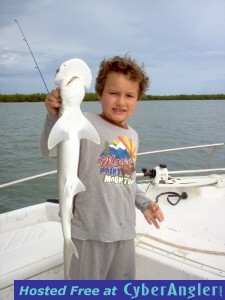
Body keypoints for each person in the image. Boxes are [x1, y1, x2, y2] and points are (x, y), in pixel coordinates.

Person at [40, 55, 164, 280]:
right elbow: (50, 149)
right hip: (89, 232)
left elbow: (127, 179)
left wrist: (145, 205)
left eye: (129, 96)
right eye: (114, 93)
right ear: (99, 93)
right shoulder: (82, 122)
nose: (121, 102)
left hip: (124, 233)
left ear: (138, 99)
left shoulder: (132, 136)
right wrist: (53, 115)